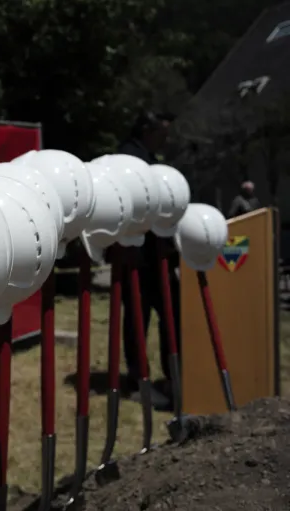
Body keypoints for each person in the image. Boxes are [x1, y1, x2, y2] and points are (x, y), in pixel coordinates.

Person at [117, 111, 180, 410]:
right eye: (161, 133)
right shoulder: (129, 160)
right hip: (139, 255)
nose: (165, 139)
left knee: (170, 316)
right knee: (137, 319)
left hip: (156, 255)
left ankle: (173, 375)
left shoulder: (148, 158)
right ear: (146, 129)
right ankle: (138, 380)